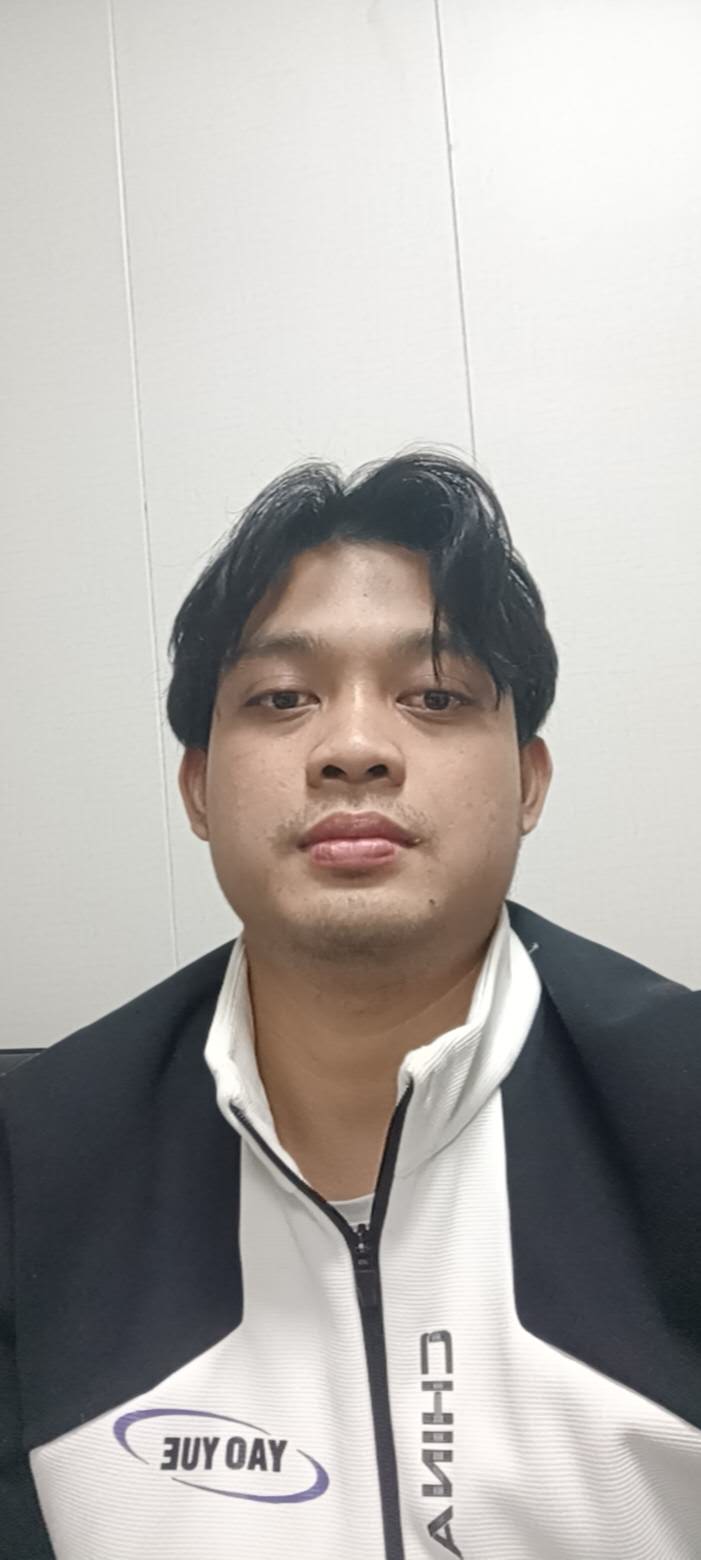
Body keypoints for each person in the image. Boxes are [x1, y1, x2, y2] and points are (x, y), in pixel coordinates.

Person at [1, 450, 699, 1560]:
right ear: (198, 788)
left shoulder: (677, 1111)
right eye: (282, 699)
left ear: (526, 780)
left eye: (435, 696)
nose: (355, 749)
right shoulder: (35, 1164)